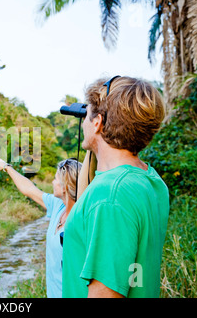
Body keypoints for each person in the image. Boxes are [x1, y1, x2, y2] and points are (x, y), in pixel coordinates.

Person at [62, 76, 170, 298]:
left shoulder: (110, 195)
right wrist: (96, 146)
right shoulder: (149, 180)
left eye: (87, 115)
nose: (83, 122)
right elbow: (84, 207)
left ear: (98, 122)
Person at [0, 153, 82, 298]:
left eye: (55, 179)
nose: (52, 182)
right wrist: (6, 167)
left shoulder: (81, 223)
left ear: (65, 186)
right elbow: (29, 189)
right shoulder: (58, 205)